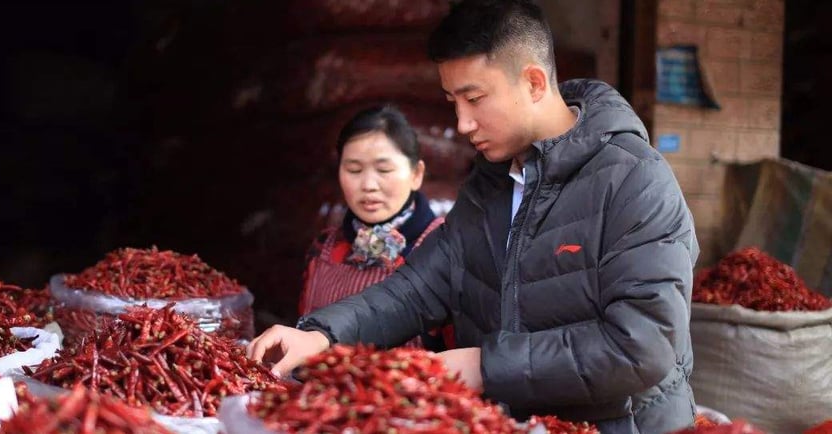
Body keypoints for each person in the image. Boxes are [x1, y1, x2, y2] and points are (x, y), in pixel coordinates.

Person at [248, 1, 699, 433]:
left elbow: (643, 346)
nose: (462, 123)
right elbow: (419, 287)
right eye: (452, 101)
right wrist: (322, 335)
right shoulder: (491, 184)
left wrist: (485, 367)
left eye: (475, 98)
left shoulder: (635, 181)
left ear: (534, 83)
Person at [299, 105, 448, 350]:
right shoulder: (324, 249)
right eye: (354, 170)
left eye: (384, 170)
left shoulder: (444, 247)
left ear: (416, 174)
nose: (368, 185)